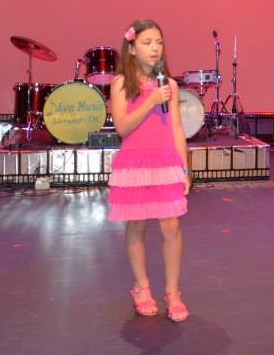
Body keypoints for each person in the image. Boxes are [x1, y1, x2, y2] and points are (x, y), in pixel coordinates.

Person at [107, 19, 191, 321]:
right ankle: (142, 287)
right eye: (147, 43)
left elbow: (177, 129)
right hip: (135, 163)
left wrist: (184, 168)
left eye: (159, 42)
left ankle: (172, 291)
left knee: (171, 225)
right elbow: (122, 126)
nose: (155, 48)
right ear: (131, 48)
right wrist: (151, 101)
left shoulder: (169, 84)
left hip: (166, 161)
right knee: (138, 225)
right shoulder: (121, 84)